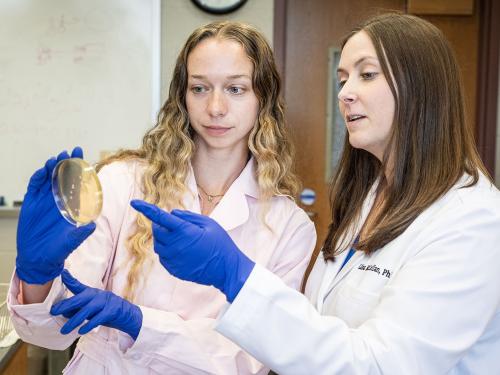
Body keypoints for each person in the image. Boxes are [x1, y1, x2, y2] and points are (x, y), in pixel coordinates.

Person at [130, 13, 500, 374]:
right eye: (343, 78)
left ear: (422, 87)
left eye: (367, 75)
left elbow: (382, 365)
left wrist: (237, 276)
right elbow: (318, 330)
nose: (345, 93)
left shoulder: (472, 221)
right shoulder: (372, 198)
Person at [8, 21, 316, 374]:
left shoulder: (289, 226)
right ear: (182, 96)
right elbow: (56, 330)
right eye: (200, 88)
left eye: (235, 88)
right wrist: (38, 277)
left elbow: (247, 358)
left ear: (264, 98)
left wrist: (138, 323)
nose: (215, 107)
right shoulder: (123, 182)